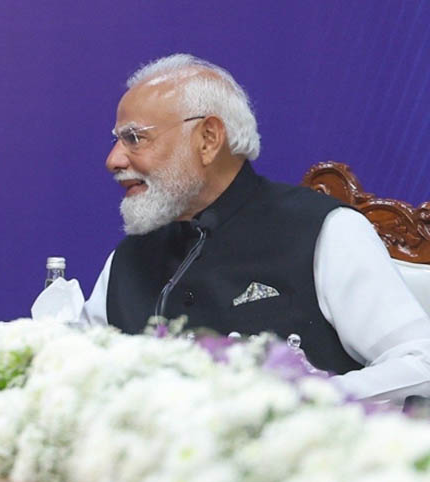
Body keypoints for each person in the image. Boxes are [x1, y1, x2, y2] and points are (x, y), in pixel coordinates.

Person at [82, 53, 430, 402]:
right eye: (117, 140)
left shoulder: (323, 231)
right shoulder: (129, 257)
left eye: (135, 138)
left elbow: (420, 361)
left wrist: (301, 402)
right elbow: (80, 371)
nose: (114, 160)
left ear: (208, 139)